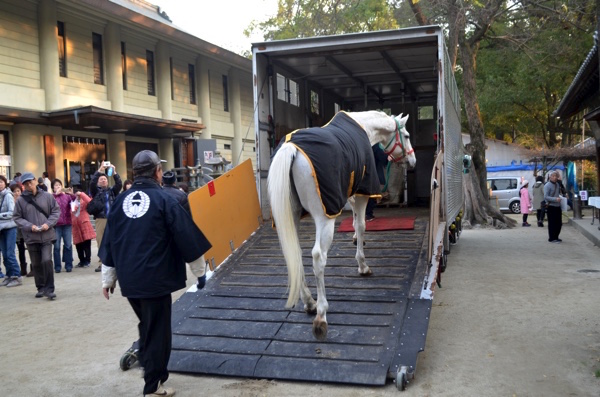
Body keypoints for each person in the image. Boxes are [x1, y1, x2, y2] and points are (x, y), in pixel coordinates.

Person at [100, 150, 211, 397]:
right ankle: (153, 385)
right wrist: (200, 272)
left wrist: (108, 279)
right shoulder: (166, 199)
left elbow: (109, 240)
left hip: (131, 281)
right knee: (158, 331)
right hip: (156, 279)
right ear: (157, 172)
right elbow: (186, 237)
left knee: (148, 325)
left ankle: (150, 369)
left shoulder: (120, 201)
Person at [13, 172, 61, 299]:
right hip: (31, 236)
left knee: (46, 260)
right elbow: (17, 217)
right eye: (26, 183)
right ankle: (40, 287)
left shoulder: (47, 196)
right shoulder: (21, 201)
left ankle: (50, 289)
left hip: (47, 235)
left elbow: (56, 211)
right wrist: (30, 226)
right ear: (23, 186)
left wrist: (48, 223)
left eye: (31, 182)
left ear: (35, 181)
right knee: (36, 263)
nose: (29, 185)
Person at [89, 162, 122, 272]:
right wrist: (100, 170)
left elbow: (119, 184)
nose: (103, 180)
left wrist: (114, 172)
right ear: (99, 182)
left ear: (108, 181)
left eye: (105, 179)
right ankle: (102, 262)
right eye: (101, 179)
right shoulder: (96, 191)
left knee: (114, 239)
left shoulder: (112, 191)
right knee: (100, 240)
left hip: (112, 219)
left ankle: (114, 261)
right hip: (100, 219)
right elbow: (92, 183)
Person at [0, 175, 22, 287]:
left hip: (10, 228)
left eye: (1, 182)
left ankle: (16, 276)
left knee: (10, 253)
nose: (0, 184)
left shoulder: (8, 195)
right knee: (5, 254)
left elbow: (12, 212)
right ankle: (9, 276)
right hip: (1, 229)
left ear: (5, 183)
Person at [52, 179, 76, 273]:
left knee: (68, 245)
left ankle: (68, 265)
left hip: (67, 223)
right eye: (55, 185)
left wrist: (71, 194)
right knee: (56, 246)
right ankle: (57, 266)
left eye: (59, 185)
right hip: (56, 225)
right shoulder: (51, 197)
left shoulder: (66, 196)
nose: (57, 187)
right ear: (53, 188)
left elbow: (74, 201)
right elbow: (49, 205)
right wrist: (55, 195)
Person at [9, 182, 32, 277]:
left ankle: (33, 268)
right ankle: (23, 269)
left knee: (30, 249)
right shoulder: (10, 201)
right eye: (14, 191)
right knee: (21, 250)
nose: (17, 193)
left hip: (25, 228)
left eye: (18, 191)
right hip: (16, 230)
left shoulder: (24, 201)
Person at [71, 190, 96, 268]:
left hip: (84, 224)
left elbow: (90, 201)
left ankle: (88, 260)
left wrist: (82, 194)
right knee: (78, 245)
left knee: (86, 244)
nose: (77, 196)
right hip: (75, 226)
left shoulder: (84, 201)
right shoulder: (71, 202)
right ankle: (81, 261)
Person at [365, 144, 389, 221]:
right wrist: (388, 158)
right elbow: (382, 157)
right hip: (373, 173)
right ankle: (368, 214)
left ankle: (361, 214)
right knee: (372, 195)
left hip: (362, 173)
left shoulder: (360, 145)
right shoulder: (375, 146)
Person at [544, 171, 563, 243]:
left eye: (556, 176)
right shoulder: (547, 185)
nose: (555, 177)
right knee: (552, 223)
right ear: (550, 177)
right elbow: (545, 197)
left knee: (559, 223)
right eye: (554, 176)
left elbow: (557, 194)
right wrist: (555, 199)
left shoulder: (557, 185)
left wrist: (560, 198)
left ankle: (556, 236)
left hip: (558, 206)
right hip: (551, 206)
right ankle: (552, 238)